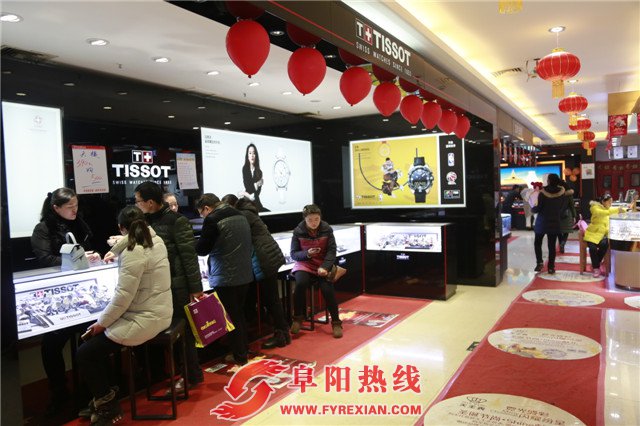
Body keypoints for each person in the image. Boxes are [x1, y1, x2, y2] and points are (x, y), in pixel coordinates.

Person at [77, 206, 172, 425]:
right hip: (159, 312)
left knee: (86, 352)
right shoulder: (156, 240)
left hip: (144, 318)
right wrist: (116, 250)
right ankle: (105, 396)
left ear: (121, 228)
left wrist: (102, 323)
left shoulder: (133, 252)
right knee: (93, 346)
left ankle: (107, 404)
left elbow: (123, 296)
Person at [106, 181, 204, 390]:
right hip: (157, 287)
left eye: (138, 201)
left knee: (184, 334)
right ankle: (161, 376)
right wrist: (114, 250)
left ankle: (190, 375)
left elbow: (189, 256)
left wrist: (195, 288)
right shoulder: (146, 221)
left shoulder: (177, 221)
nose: (136, 204)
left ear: (150, 202)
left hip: (177, 285)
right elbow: (132, 239)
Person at [30, 188, 101, 414]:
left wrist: (91, 257)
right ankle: (59, 390)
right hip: (57, 296)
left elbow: (87, 249)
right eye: (70, 207)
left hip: (84, 293)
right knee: (51, 346)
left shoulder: (80, 224)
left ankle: (93, 387)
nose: (75, 210)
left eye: (76, 205)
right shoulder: (43, 229)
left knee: (89, 338)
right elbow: (45, 259)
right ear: (55, 208)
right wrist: (76, 260)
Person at [221, 194, 289, 349]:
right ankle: (281, 332)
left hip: (264, 259)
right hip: (267, 257)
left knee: (271, 299)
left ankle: (281, 334)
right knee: (269, 299)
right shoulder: (248, 212)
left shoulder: (243, 216)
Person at [195, 193, 254, 364]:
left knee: (231, 316)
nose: (202, 216)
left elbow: (202, 249)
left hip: (225, 276)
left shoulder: (213, 219)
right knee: (239, 314)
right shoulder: (240, 214)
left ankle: (239, 355)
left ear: (207, 208)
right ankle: (244, 349)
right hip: (244, 273)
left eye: (201, 213)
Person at [290, 204, 343, 338]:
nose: (313, 223)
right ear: (305, 219)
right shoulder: (298, 231)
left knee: (327, 289)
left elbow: (332, 251)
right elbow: (294, 254)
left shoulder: (327, 229)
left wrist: (325, 267)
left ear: (320, 218)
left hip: (323, 264)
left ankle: (336, 323)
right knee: (300, 284)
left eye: (316, 219)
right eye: (310, 220)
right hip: (304, 264)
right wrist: (307, 253)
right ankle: (297, 318)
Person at [584, 194, 636, 277]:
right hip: (592, 233)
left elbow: (617, 210)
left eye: (611, 201)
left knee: (604, 245)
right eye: (609, 201)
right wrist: (618, 210)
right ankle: (596, 268)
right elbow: (602, 213)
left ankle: (595, 264)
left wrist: (626, 209)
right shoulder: (594, 207)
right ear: (603, 202)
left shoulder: (608, 208)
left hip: (604, 234)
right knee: (592, 248)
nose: (611, 203)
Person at [531, 174, 568, 274]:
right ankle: (551, 267)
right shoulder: (562, 192)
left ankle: (539, 263)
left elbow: (538, 208)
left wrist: (532, 209)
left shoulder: (543, 193)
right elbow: (563, 207)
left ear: (549, 181)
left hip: (542, 222)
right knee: (552, 246)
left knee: (537, 243)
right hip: (555, 222)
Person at [240, 143, 267, 212]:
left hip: (256, 200)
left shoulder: (259, 172)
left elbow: (257, 193)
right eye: (250, 153)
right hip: (247, 201)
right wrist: (257, 184)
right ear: (247, 156)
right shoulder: (245, 169)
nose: (252, 155)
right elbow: (248, 187)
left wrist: (246, 192)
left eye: (254, 153)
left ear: (256, 155)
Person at [557, 180, 577, 253]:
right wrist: (574, 216)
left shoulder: (556, 194)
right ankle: (563, 243)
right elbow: (572, 206)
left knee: (559, 231)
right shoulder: (569, 195)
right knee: (566, 231)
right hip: (567, 215)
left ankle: (560, 243)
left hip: (558, 214)